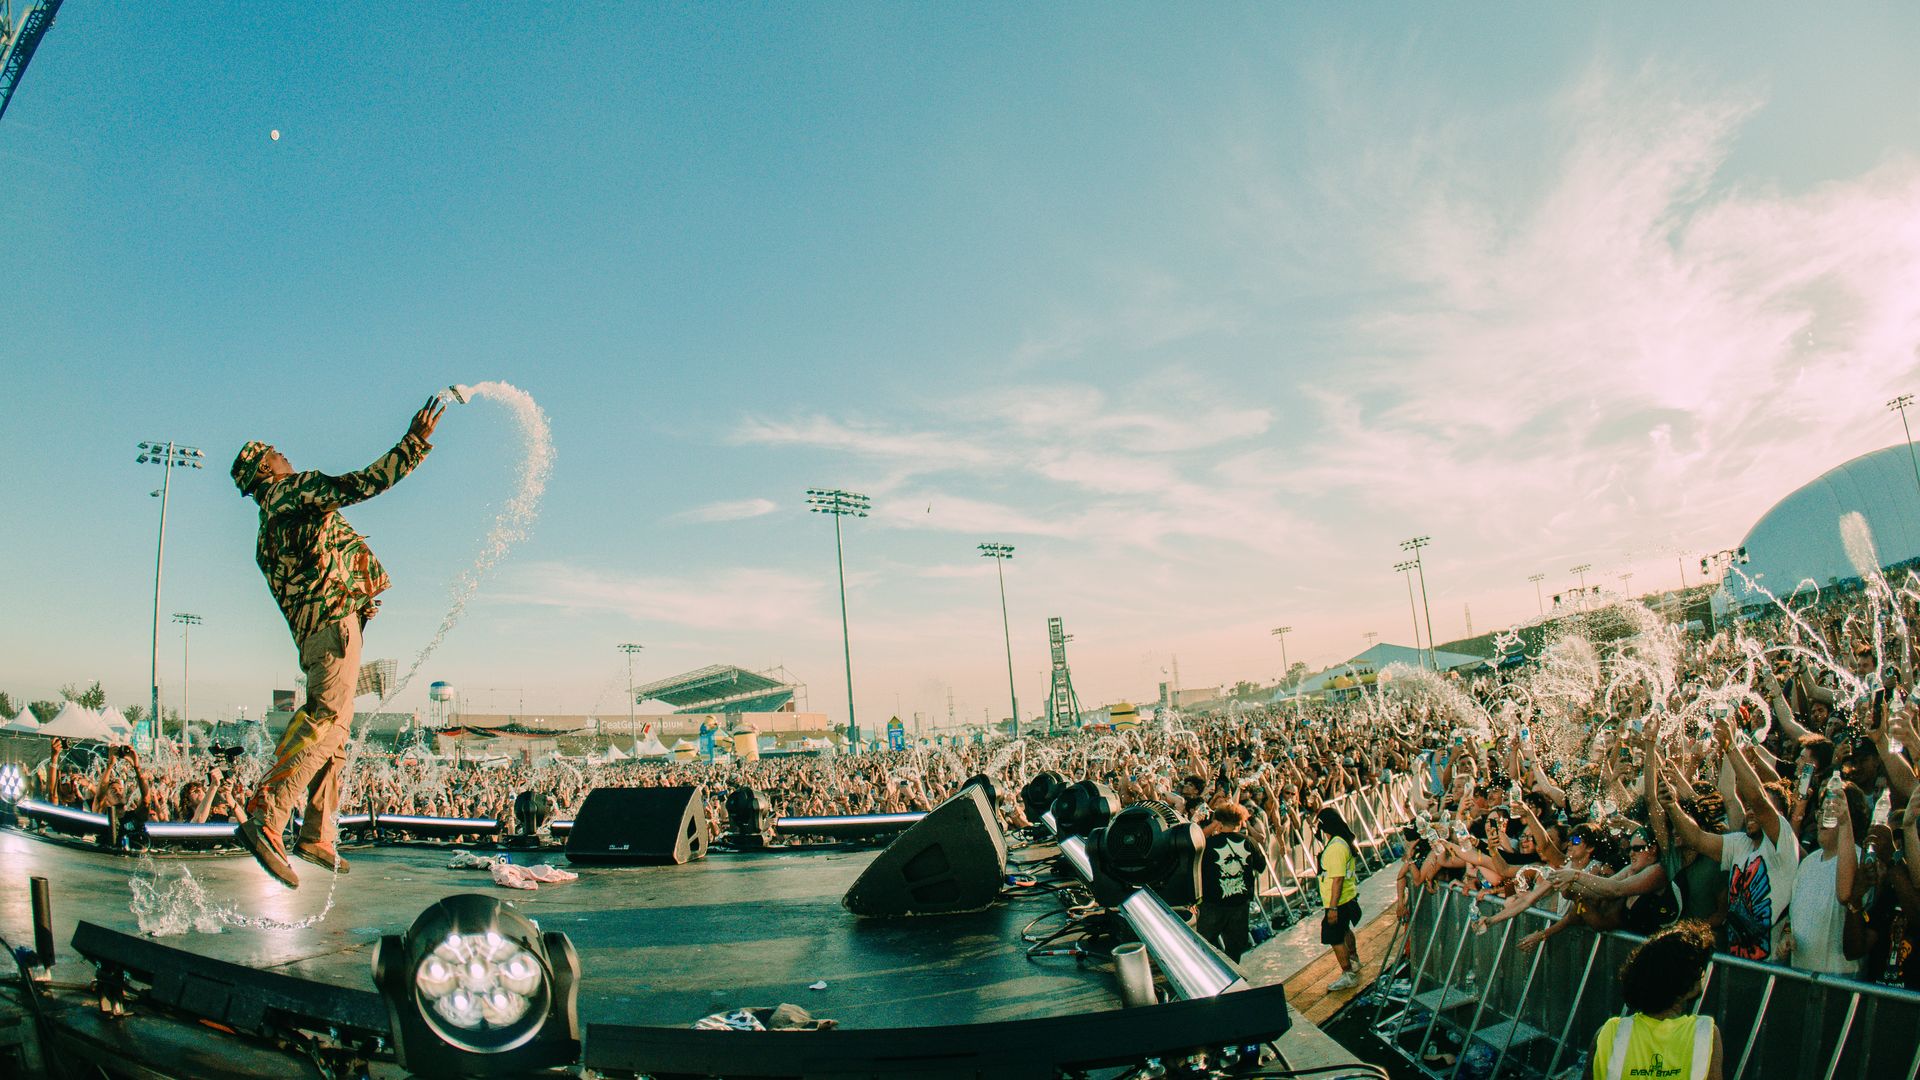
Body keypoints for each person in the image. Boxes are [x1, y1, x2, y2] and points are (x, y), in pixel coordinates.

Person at [229, 396, 444, 888]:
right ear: (266, 467)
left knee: (337, 734)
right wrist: (413, 444)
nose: (286, 455)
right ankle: (269, 813)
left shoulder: (265, 533)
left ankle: (318, 833)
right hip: (332, 629)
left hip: (317, 634)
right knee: (325, 723)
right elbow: (354, 485)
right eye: (277, 453)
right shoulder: (290, 493)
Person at [1589, 921, 1723, 1080]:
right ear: (1683, 982)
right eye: (1699, 968)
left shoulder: (1608, 1033)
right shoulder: (1706, 1034)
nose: (1702, 974)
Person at [1197, 800, 1268, 961]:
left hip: (1212, 903)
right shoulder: (1249, 842)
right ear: (1240, 821)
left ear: (1219, 822)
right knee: (1235, 946)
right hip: (1240, 903)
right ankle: (1233, 977)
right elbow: (1261, 866)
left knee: (1204, 942)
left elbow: (1193, 840)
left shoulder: (1207, 844)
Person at [1317, 806, 1364, 991]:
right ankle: (1354, 960)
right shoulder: (1342, 841)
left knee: (1334, 937)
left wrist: (1333, 908)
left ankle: (1348, 974)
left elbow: (1337, 879)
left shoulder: (1336, 847)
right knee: (1345, 930)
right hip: (1348, 897)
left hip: (1338, 901)